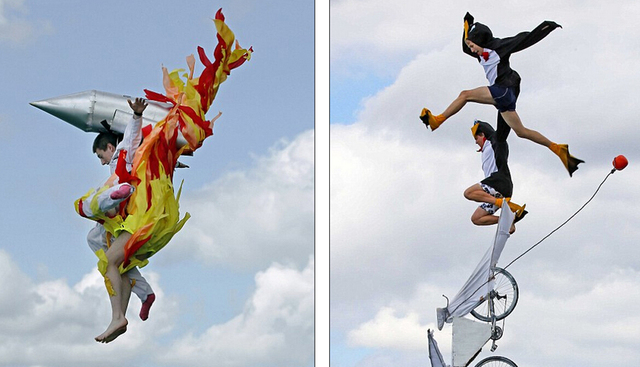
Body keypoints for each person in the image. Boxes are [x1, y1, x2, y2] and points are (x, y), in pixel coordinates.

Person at [420, 12, 584, 176]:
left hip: (504, 89)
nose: (472, 50)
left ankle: (437, 121)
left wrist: (546, 27)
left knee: (465, 95)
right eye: (470, 46)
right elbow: (465, 46)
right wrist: (467, 25)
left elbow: (522, 40)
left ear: (480, 40)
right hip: (504, 97)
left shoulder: (498, 47)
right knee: (517, 133)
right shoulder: (478, 51)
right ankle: (558, 149)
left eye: (473, 46)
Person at [75, 98, 156, 342]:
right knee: (99, 245)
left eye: (101, 155)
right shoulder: (122, 165)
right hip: (125, 222)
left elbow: (130, 140)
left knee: (109, 262)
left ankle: (117, 316)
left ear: (110, 148)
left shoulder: (122, 156)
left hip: (136, 220)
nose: (101, 162)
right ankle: (140, 297)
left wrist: (136, 115)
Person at [463, 118, 527, 234]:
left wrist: (503, 105)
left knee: (469, 193)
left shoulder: (495, 140)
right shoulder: (485, 150)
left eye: (476, 138)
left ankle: (504, 205)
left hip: (499, 181)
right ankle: (507, 221)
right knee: (476, 218)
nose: (475, 142)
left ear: (483, 134)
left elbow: (503, 123)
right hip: (495, 191)